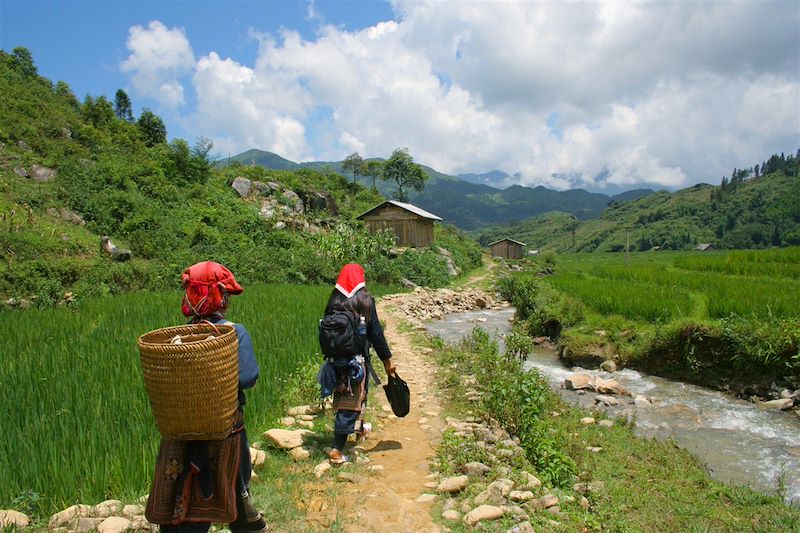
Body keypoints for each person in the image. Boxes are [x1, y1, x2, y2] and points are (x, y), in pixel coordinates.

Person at [145, 261, 267, 533]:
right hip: (225, 431)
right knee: (235, 487)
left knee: (183, 488)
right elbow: (248, 378)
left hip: (182, 431)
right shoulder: (233, 332)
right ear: (220, 297)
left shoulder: (178, 336)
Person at [324, 263, 396, 464]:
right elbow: (376, 333)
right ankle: (337, 449)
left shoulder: (334, 298)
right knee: (350, 401)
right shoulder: (365, 299)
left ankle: (359, 429)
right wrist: (387, 360)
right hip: (356, 359)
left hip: (335, 359)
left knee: (350, 395)